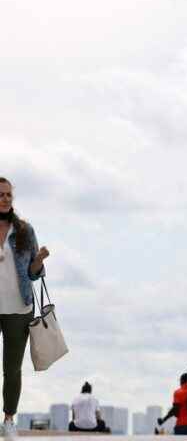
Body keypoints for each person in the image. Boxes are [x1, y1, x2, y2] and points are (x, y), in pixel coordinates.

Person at [0, 177, 49, 437]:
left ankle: (8, 420)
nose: (5, 198)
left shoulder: (24, 231)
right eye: (1, 195)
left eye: (9, 195)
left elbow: (33, 273)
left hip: (19, 309)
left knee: (12, 369)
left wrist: (38, 260)